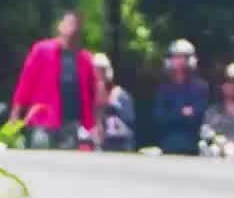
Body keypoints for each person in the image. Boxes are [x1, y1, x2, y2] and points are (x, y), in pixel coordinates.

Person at [8, 9, 97, 150]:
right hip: (43, 121)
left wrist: (93, 125)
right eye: (70, 23)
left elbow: (92, 95)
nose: (73, 28)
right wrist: (15, 115)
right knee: (40, 160)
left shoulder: (85, 59)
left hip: (71, 123)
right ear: (60, 26)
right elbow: (26, 83)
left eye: (77, 25)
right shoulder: (42, 50)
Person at [153, 39, 210, 155]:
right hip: (168, 142)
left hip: (192, 143)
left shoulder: (200, 87)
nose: (177, 61)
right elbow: (160, 117)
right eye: (175, 57)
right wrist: (182, 113)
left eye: (181, 57)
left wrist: (175, 113)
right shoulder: (164, 88)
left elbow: (198, 116)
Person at [93, 52, 137, 153]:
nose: (98, 74)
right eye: (95, 70)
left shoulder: (121, 95)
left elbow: (130, 119)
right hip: (96, 144)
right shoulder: (86, 96)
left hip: (120, 143)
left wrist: (112, 104)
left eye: (101, 70)